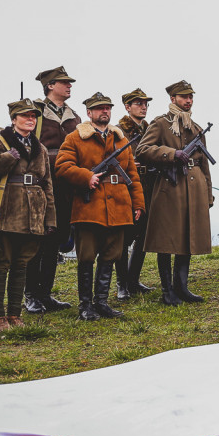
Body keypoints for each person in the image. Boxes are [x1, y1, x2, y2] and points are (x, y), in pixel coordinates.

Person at [56, 92, 145, 320]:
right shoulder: (75, 138)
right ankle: (85, 306)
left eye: (107, 108)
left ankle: (102, 303)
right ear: (89, 113)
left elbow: (132, 175)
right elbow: (63, 166)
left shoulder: (121, 140)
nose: (104, 111)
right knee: (86, 257)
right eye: (99, 108)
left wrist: (138, 203)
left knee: (112, 254)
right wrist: (86, 177)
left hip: (119, 205)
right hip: (89, 207)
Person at [0, 99, 57, 333]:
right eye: (25, 115)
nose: (31, 119)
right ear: (13, 119)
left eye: (33, 116)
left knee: (22, 264)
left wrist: (50, 218)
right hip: (7, 212)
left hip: (34, 214)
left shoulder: (40, 148)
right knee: (2, 264)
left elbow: (48, 185)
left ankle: (15, 314)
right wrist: (7, 158)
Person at [136, 80, 215, 305]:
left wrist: (208, 193)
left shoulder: (197, 128)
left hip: (195, 186)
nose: (188, 101)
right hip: (170, 188)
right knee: (167, 240)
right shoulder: (161, 123)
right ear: (173, 99)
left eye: (190, 97)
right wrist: (171, 154)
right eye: (183, 97)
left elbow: (205, 165)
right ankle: (167, 291)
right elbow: (143, 149)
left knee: (188, 237)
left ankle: (182, 287)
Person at [24, 66, 80, 314]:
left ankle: (45, 294)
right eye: (64, 82)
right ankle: (30, 295)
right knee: (36, 242)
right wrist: (64, 158)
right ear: (50, 86)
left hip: (67, 188)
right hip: (40, 188)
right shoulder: (34, 113)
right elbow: (25, 147)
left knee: (56, 241)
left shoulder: (74, 116)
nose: (69, 86)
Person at [114, 88, 154, 299]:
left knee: (144, 235)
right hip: (128, 186)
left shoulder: (151, 128)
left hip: (149, 185)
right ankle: (122, 284)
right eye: (138, 103)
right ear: (128, 107)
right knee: (124, 237)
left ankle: (133, 279)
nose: (144, 106)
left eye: (145, 103)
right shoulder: (119, 130)